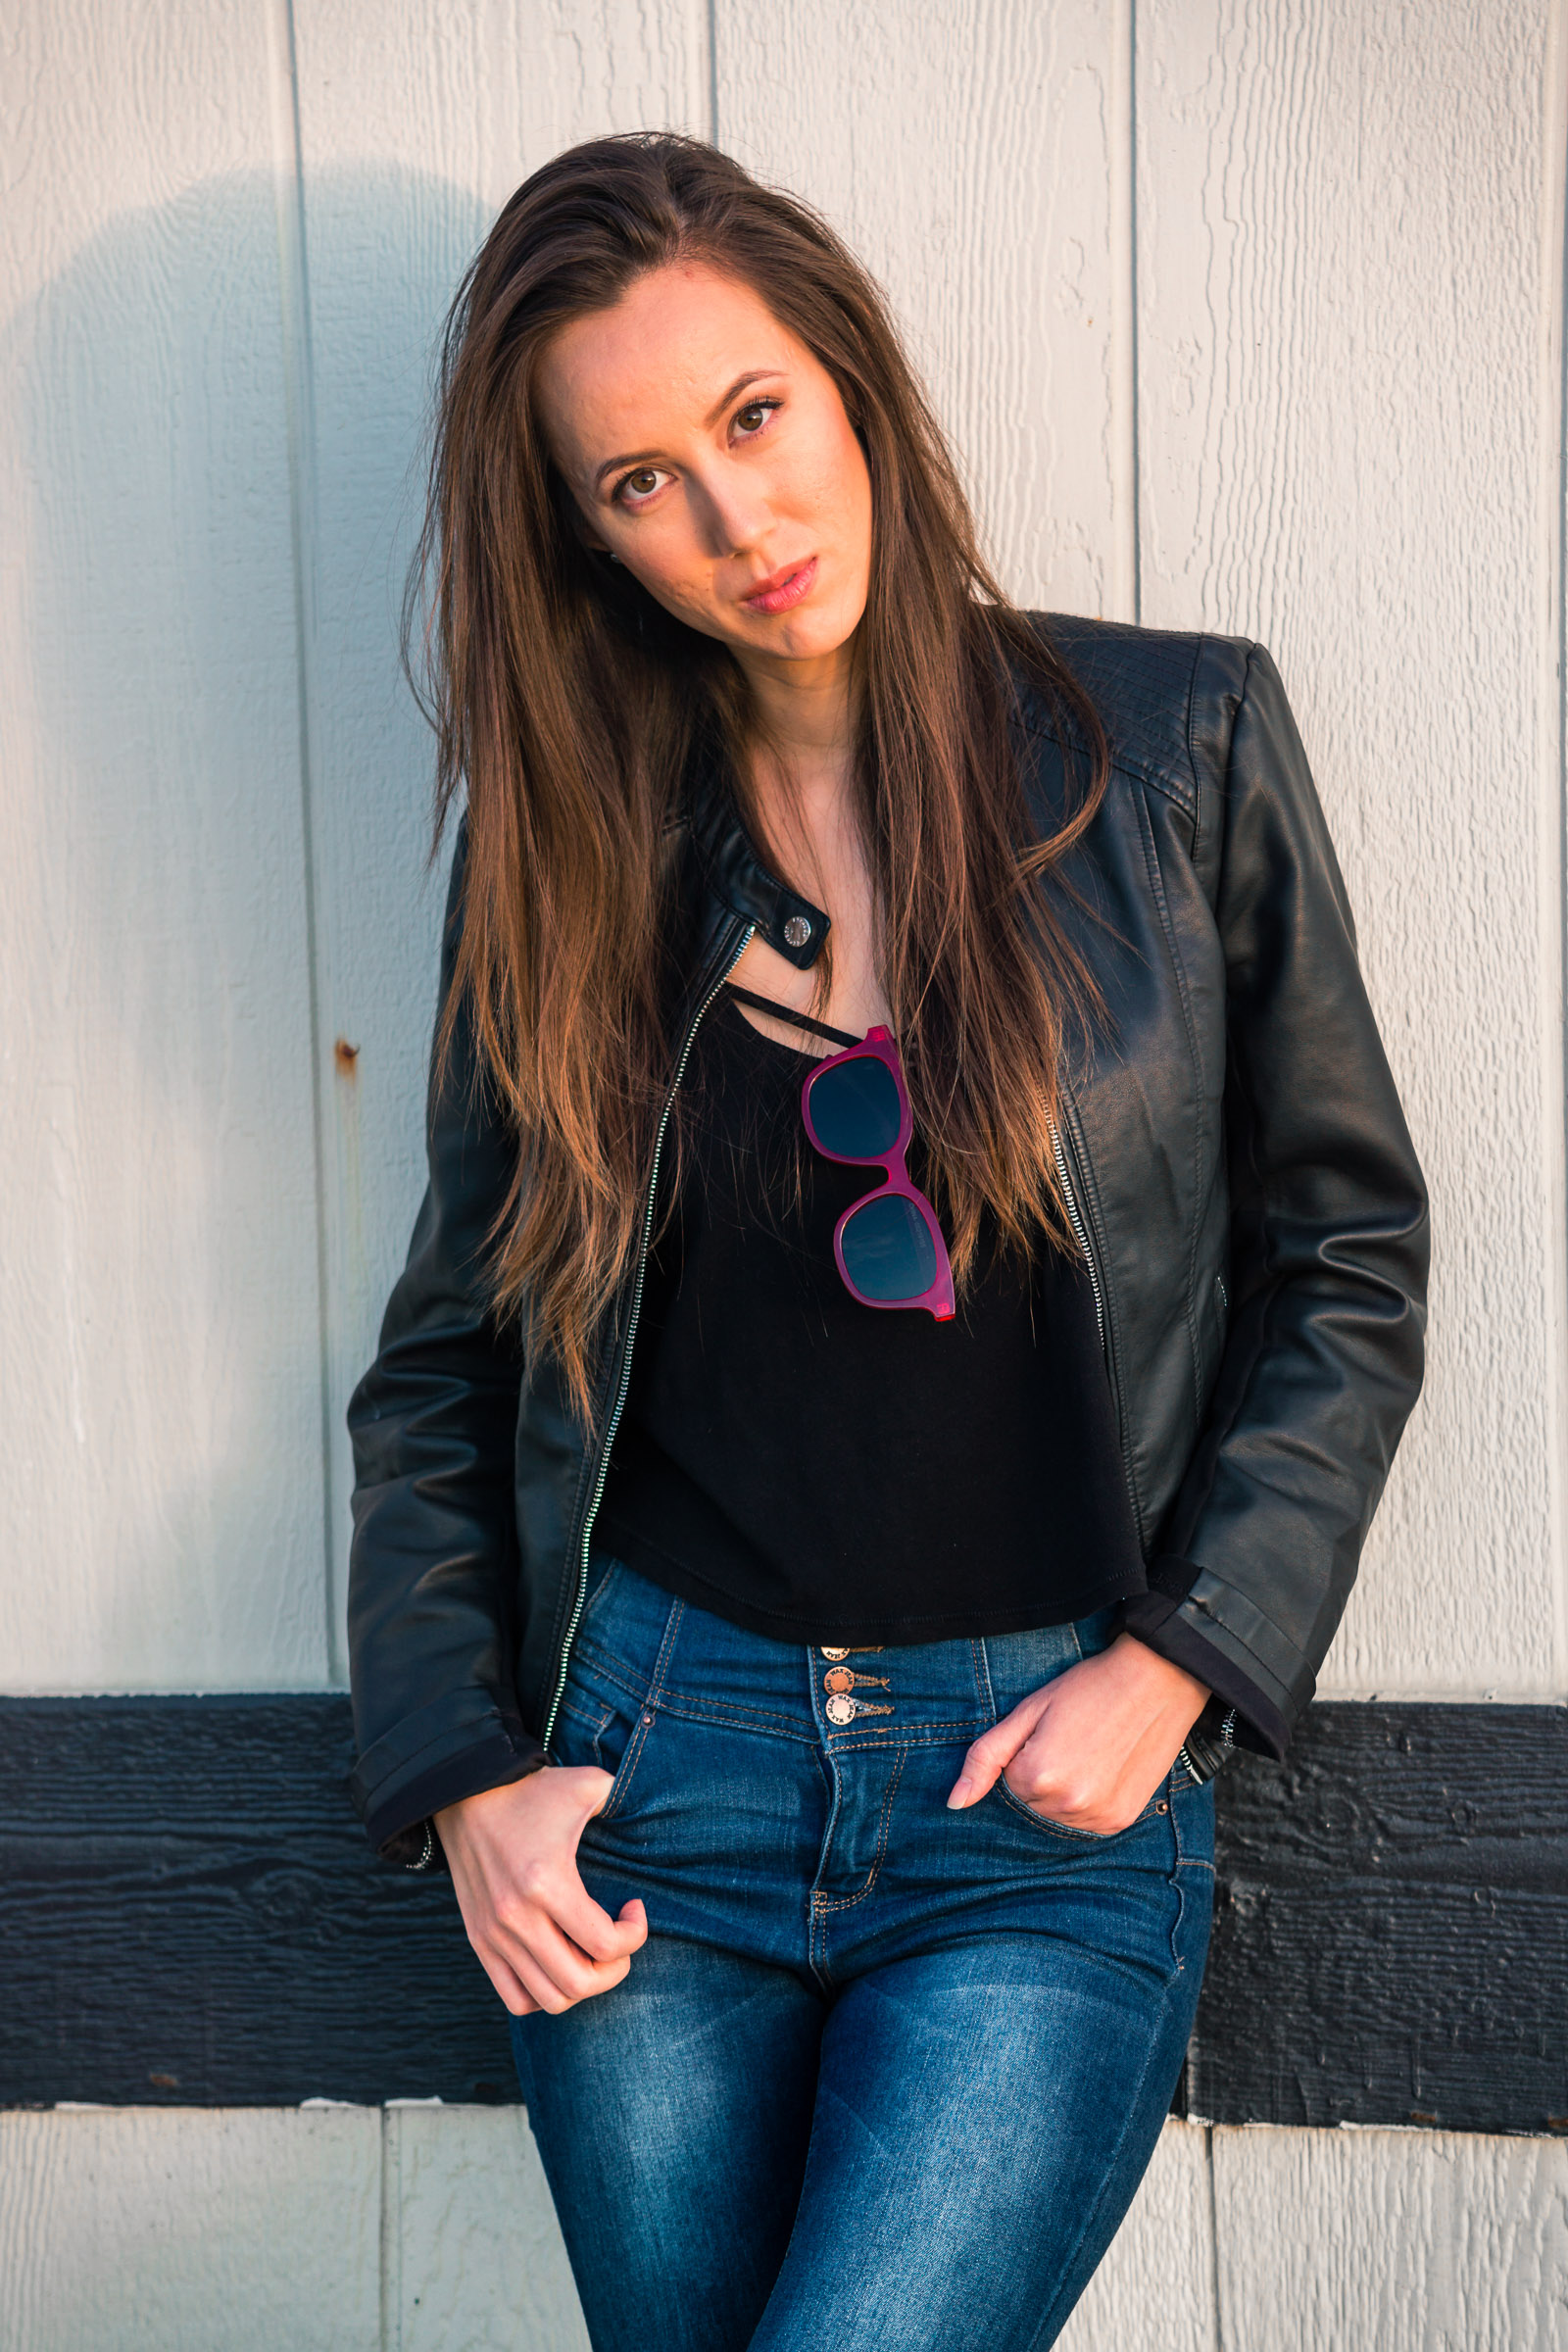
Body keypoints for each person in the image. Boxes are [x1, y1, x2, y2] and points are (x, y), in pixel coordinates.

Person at [346, 132, 1428, 2351]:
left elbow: (1344, 1254)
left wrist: (1183, 1657)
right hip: (654, 1778)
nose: (737, 522)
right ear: (577, 535)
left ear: (843, 380)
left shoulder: (1172, 745)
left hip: (1028, 1782)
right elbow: (449, 1354)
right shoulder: (560, 865)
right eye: (639, 482)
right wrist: (459, 1772)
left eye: (749, 418)